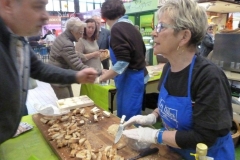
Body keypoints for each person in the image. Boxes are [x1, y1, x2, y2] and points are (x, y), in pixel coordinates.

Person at [122, 0, 234, 159]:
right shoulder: (169, 68)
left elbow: (203, 137)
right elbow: (169, 106)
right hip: (175, 152)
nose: (154, 32)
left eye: (161, 26)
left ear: (184, 36)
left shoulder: (209, 77)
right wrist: (153, 116)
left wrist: (156, 135)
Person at [0, 0, 98, 144]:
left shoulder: (17, 39)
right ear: (8, 5)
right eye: (38, 6)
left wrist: (77, 76)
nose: (46, 15)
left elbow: (39, 68)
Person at [99, 0, 148, 120]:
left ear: (104, 17)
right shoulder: (131, 27)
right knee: (126, 116)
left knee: (128, 119)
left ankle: (131, 139)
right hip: (134, 77)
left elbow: (123, 63)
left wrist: (102, 77)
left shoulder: (117, 28)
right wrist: (111, 70)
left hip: (131, 79)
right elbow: (137, 52)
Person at [49, 17, 94, 99]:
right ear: (72, 31)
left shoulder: (63, 37)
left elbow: (71, 54)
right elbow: (77, 65)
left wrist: (82, 56)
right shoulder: (66, 43)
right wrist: (95, 71)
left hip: (60, 75)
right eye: (80, 33)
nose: (81, 36)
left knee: (71, 101)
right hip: (58, 79)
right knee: (67, 105)